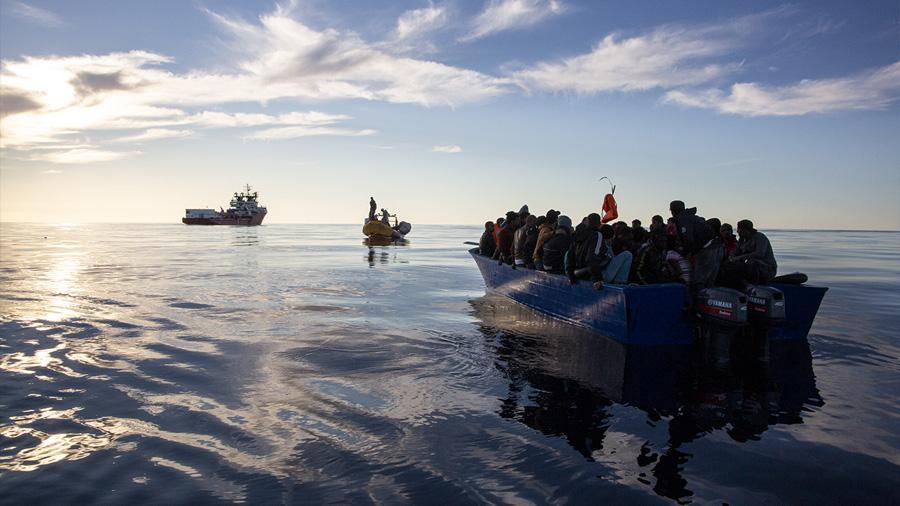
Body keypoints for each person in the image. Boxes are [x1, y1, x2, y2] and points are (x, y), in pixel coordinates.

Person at [670, 200, 720, 291]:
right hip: (715, 247)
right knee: (709, 281)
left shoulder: (683, 219)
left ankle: (698, 302)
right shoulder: (690, 217)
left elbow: (689, 239)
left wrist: (684, 253)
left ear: (673, 210)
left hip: (707, 250)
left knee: (699, 281)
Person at [722, 220, 777, 285]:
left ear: (745, 230)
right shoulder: (742, 240)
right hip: (751, 268)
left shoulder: (760, 237)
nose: (737, 231)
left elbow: (760, 254)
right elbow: (736, 252)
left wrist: (739, 258)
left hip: (766, 269)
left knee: (752, 262)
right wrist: (732, 257)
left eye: (739, 230)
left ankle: (751, 285)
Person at [567, 214, 612, 289]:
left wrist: (570, 274)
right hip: (588, 272)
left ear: (587, 222)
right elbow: (592, 257)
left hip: (577, 272)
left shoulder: (577, 234)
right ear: (599, 224)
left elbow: (570, 255)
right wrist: (597, 279)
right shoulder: (597, 235)